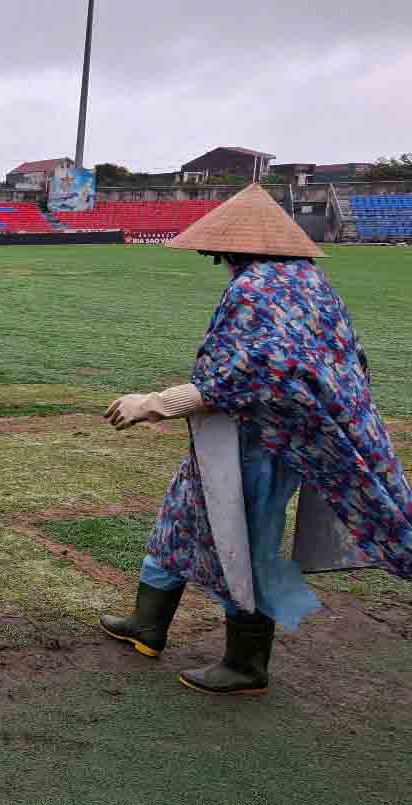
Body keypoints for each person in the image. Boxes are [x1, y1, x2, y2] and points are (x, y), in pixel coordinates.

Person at [99, 183, 412, 695]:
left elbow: (244, 375)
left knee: (243, 538)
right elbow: (349, 360)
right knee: (182, 513)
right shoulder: (311, 282)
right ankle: (146, 624)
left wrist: (153, 403)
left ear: (230, 246)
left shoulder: (256, 289)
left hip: (268, 436)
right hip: (278, 431)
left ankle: (246, 663)